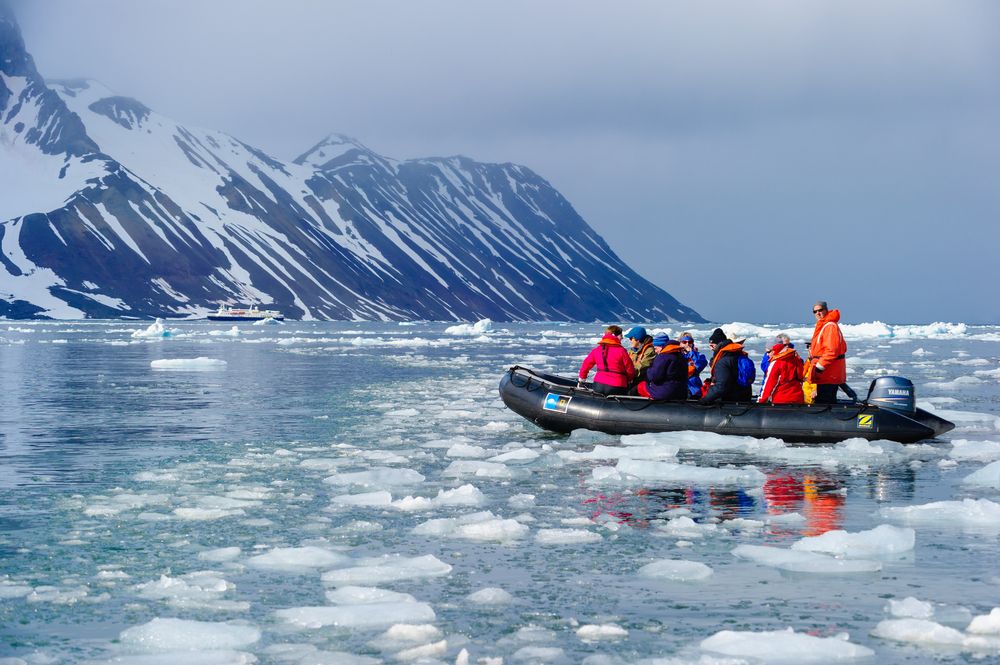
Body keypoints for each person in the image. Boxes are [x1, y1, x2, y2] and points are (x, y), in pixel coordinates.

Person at [807, 301, 847, 404]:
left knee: (824, 402)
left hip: (829, 373)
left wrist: (819, 368)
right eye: (815, 311)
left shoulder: (829, 326)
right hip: (826, 374)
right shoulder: (823, 325)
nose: (818, 313)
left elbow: (832, 351)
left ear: (826, 310)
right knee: (824, 399)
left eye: (820, 310)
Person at [579, 325, 636, 396]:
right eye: (621, 335)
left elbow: (586, 364)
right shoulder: (622, 351)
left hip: (598, 385)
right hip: (617, 386)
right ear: (615, 336)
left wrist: (582, 380)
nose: (622, 338)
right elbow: (630, 369)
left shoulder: (597, 350)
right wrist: (629, 380)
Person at [701, 328, 754, 403]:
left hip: (730, 401)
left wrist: (705, 400)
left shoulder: (723, 361)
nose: (711, 348)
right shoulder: (739, 355)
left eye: (712, 346)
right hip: (745, 398)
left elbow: (721, 386)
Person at [643, 332, 689, 400]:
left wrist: (648, 370)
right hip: (682, 392)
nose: (655, 351)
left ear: (661, 346)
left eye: (656, 348)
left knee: (640, 386)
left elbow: (654, 376)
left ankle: (632, 407)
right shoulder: (680, 355)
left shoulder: (663, 356)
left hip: (665, 392)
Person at [678, 332, 708, 399]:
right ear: (680, 343)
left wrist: (692, 353)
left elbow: (699, 366)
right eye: (684, 342)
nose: (687, 344)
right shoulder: (676, 355)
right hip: (680, 386)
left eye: (690, 342)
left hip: (694, 388)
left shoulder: (699, 355)